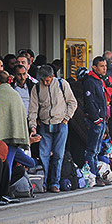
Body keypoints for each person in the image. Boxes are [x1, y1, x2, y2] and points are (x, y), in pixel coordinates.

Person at [28, 65, 77, 193]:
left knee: (58, 155)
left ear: (52, 77)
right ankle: (43, 183)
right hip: (44, 125)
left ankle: (55, 183)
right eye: (43, 80)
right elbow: (33, 110)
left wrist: (67, 118)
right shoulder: (36, 88)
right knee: (43, 155)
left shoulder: (62, 84)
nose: (45, 82)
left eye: (48, 80)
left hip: (61, 123)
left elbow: (72, 102)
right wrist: (33, 126)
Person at [82, 56, 109, 187]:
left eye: (105, 66)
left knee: (97, 150)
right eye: (102, 66)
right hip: (95, 121)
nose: (105, 69)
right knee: (91, 150)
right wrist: (96, 119)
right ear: (94, 67)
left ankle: (96, 175)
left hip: (102, 120)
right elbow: (90, 102)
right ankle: (92, 175)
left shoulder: (99, 81)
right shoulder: (90, 81)